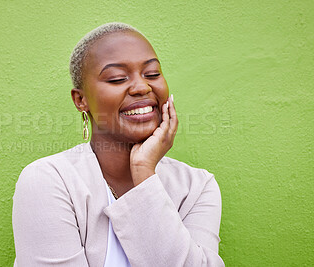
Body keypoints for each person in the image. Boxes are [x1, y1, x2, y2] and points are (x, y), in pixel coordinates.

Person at [12, 22, 224, 267]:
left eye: (153, 74)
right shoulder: (49, 180)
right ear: (81, 100)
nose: (142, 87)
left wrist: (144, 173)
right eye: (117, 78)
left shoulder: (197, 187)